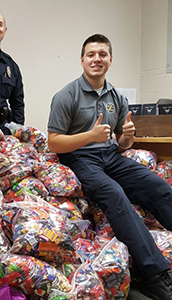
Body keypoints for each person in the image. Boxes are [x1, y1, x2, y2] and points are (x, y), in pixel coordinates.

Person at [47, 34, 172, 300]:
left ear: (110, 60)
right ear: (82, 60)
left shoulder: (115, 96)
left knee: (157, 186)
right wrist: (89, 137)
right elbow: (54, 142)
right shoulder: (66, 96)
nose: (97, 59)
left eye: (102, 54)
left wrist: (128, 135)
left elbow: (123, 143)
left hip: (111, 156)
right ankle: (154, 274)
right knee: (115, 194)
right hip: (80, 158)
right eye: (91, 54)